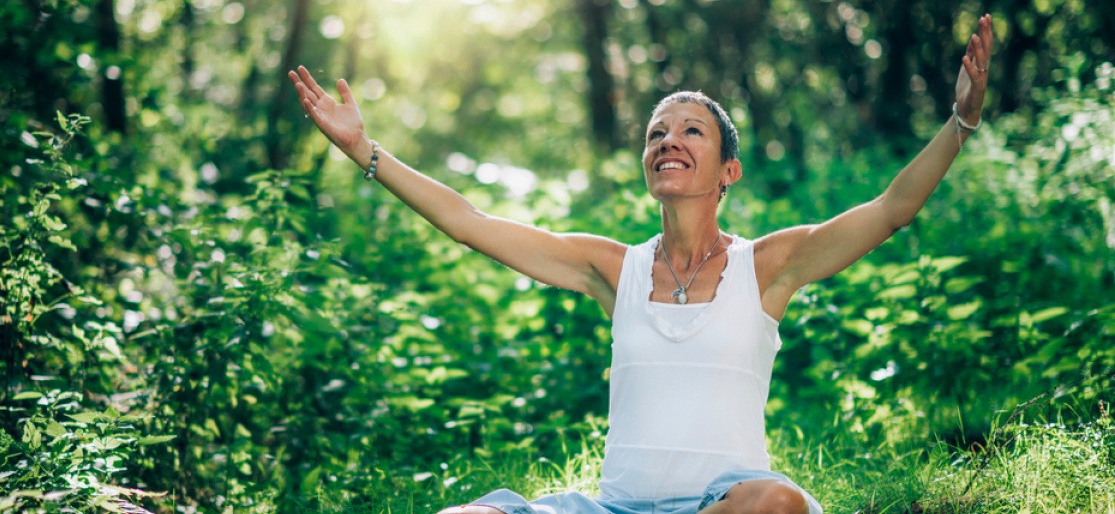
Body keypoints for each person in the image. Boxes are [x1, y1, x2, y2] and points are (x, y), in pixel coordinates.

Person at [289, 13, 994, 514]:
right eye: (658, 132)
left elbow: (891, 208)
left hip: (726, 505)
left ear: (729, 170)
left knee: (775, 502)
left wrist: (959, 123)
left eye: (692, 130)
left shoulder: (769, 266)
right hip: (615, 508)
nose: (669, 140)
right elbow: (472, 225)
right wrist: (367, 153)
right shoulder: (611, 268)